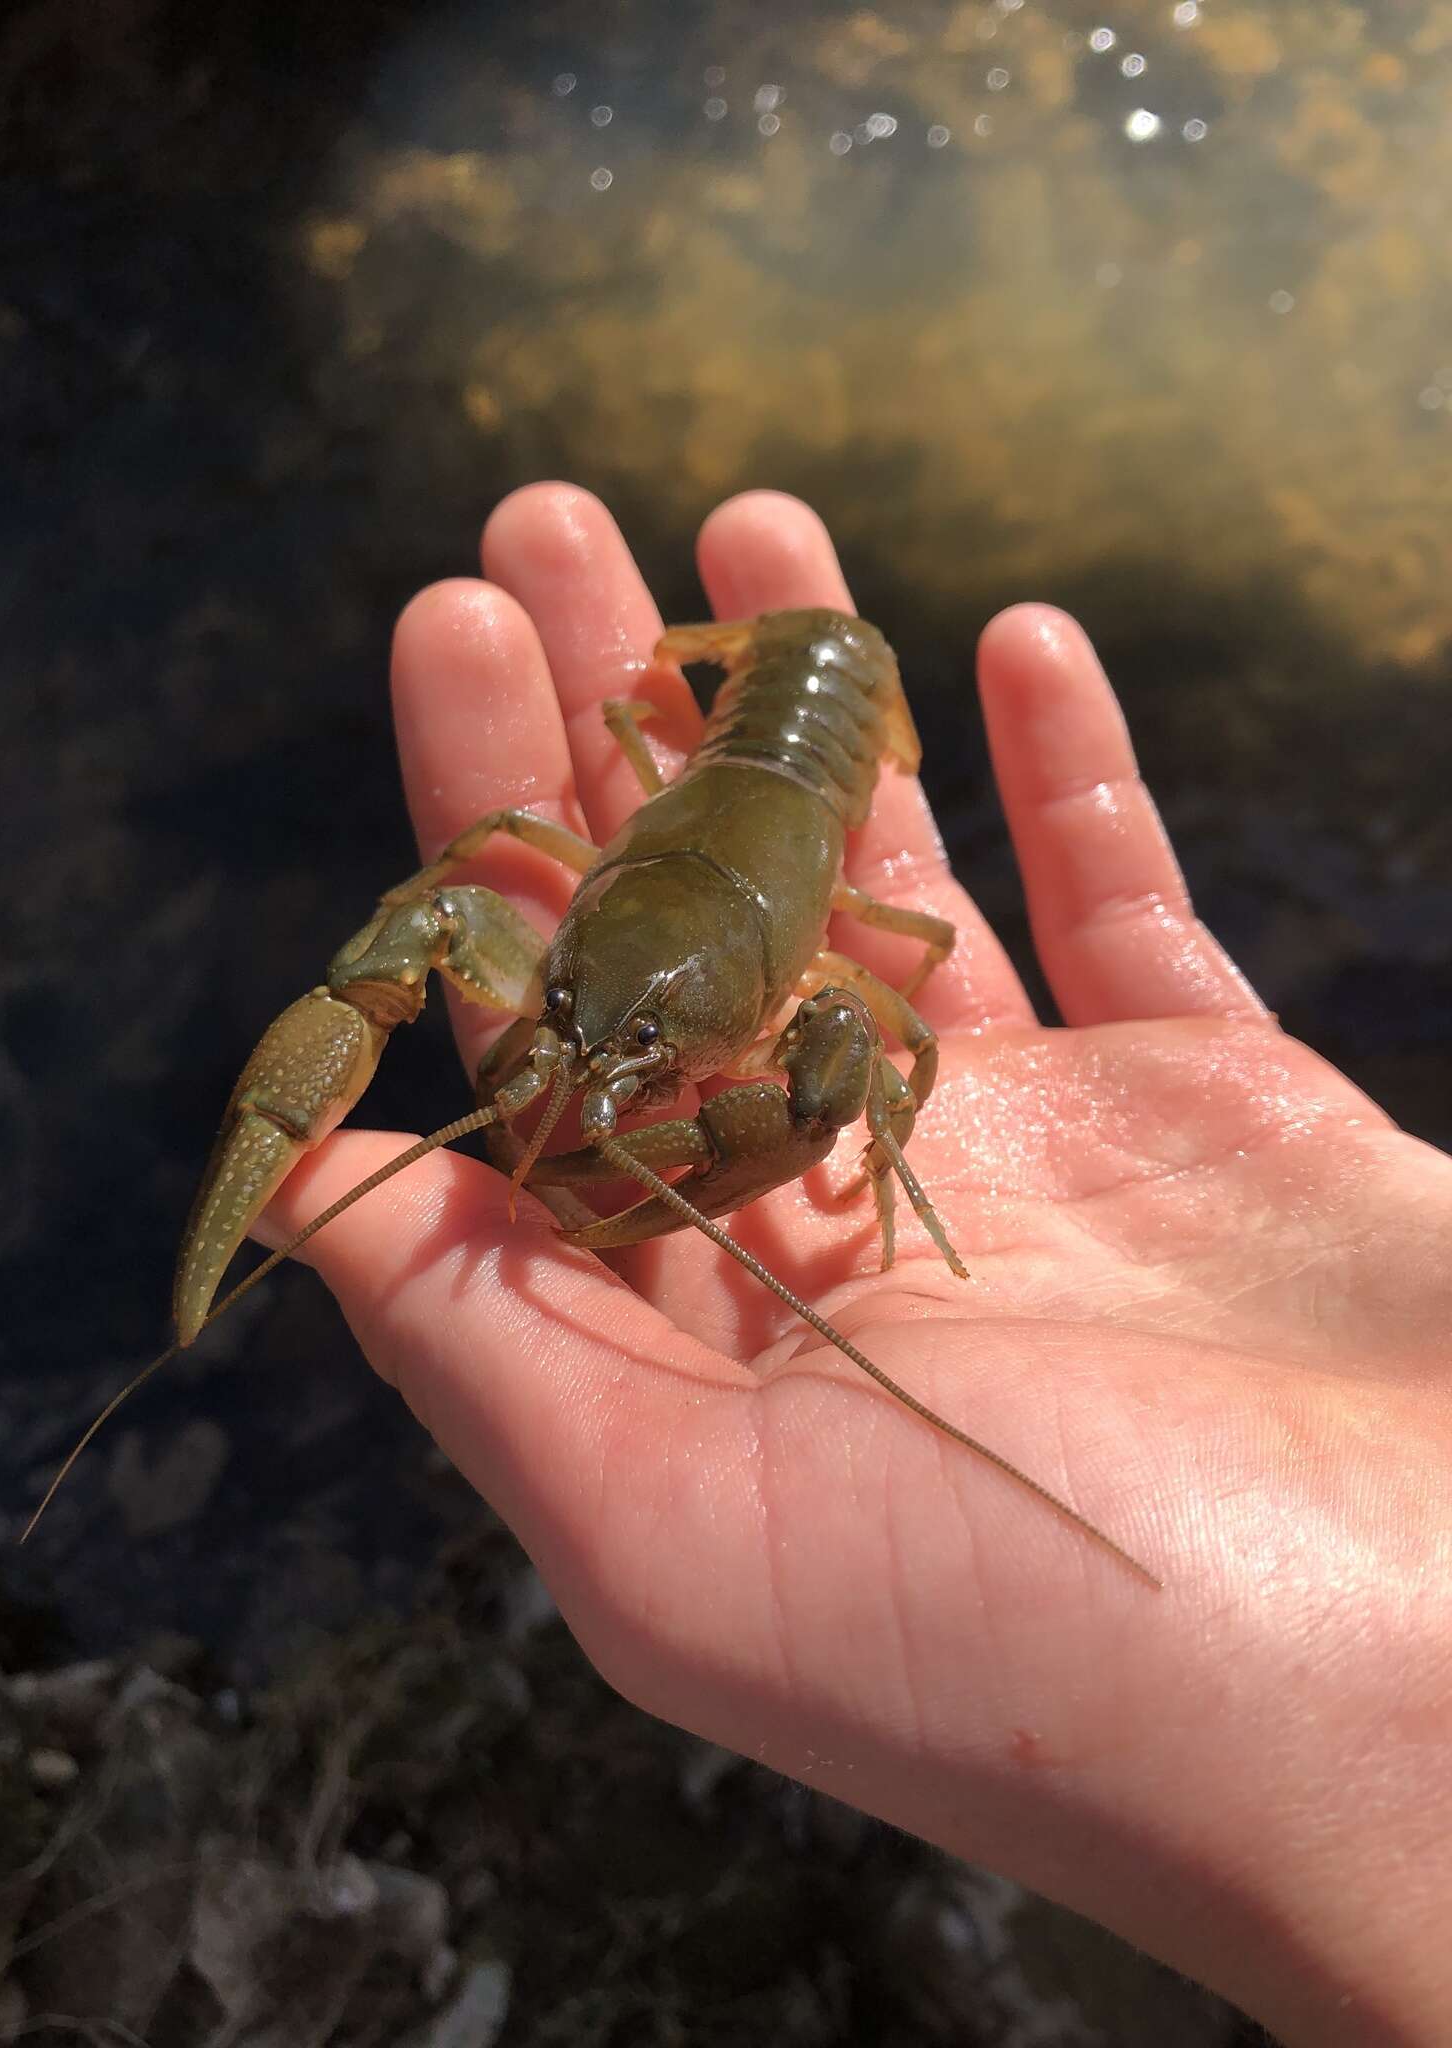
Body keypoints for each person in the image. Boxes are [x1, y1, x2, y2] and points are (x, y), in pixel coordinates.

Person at [256, 485, 1452, 2046]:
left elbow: (880, 1030)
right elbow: (467, 880)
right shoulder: (576, 915)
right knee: (458, 921)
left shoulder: (812, 975)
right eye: (568, 1022)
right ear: (585, 880)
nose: (578, 1078)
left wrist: (834, 1122)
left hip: (801, 727)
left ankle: (814, 675)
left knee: (848, 1069)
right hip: (731, 782)